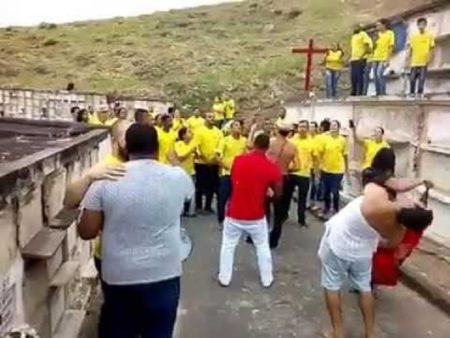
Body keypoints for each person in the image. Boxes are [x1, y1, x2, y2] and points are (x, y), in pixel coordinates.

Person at [78, 123, 194, 338]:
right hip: (164, 273)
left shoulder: (105, 180)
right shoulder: (178, 177)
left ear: (126, 147)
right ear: (157, 147)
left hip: (120, 276)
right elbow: (186, 197)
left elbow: (87, 232)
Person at [318, 148, 433, 338]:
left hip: (338, 242)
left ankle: (337, 332)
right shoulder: (399, 231)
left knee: (331, 285)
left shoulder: (375, 193)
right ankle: (370, 333)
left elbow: (391, 183)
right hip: (363, 251)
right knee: (365, 288)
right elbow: (387, 245)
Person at [65, 120, 131, 290]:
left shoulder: (140, 164)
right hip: (111, 256)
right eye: (126, 137)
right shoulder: (105, 169)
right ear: (113, 140)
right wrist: (88, 178)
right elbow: (69, 202)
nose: (132, 141)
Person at [218, 133, 282, 288]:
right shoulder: (272, 167)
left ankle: (224, 277)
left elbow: (235, 179)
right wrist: (269, 192)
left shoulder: (238, 160)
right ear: (268, 148)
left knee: (228, 245)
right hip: (256, 215)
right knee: (262, 246)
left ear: (253, 143)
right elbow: (278, 193)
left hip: (234, 213)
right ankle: (267, 278)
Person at [267, 122, 300, 249]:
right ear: (289, 133)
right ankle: (274, 239)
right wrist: (286, 168)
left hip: (268, 177)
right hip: (283, 178)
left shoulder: (270, 143)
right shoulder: (292, 146)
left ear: (277, 131)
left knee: (263, 207)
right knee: (279, 211)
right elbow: (297, 166)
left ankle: (258, 235)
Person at [216, 121, 247, 226]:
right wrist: (223, 164)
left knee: (236, 199)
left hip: (239, 175)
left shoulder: (244, 141)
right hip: (227, 173)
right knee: (222, 198)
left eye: (239, 126)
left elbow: (247, 155)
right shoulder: (225, 140)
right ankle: (221, 220)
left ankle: (233, 220)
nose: (238, 127)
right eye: (236, 125)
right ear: (231, 128)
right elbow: (218, 155)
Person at [317, 120, 349, 219]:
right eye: (331, 125)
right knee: (326, 191)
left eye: (335, 125)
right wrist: (319, 168)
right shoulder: (325, 138)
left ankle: (335, 209)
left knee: (335, 192)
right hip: (325, 169)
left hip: (338, 170)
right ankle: (326, 208)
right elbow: (320, 153)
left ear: (338, 127)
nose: (333, 127)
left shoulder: (342, 140)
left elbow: (345, 155)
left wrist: (346, 169)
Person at [289, 120, 318, 227]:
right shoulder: (292, 140)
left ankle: (301, 220)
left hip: (304, 174)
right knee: (287, 196)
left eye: (304, 127)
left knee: (302, 198)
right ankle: (283, 215)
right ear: (298, 128)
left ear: (307, 129)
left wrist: (316, 173)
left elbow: (315, 159)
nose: (302, 129)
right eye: (300, 126)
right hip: (291, 173)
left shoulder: (312, 142)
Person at [194, 112, 223, 214]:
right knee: (200, 185)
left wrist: (215, 159)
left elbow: (220, 147)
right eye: (209, 117)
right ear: (205, 119)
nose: (212, 119)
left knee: (211, 185)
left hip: (213, 163)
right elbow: (196, 147)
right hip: (201, 163)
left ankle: (208, 206)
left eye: (213, 117)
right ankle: (198, 206)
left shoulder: (218, 132)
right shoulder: (199, 131)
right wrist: (205, 159)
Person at [407, 17, 435, 98]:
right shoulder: (414, 37)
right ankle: (411, 93)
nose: (421, 26)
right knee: (412, 78)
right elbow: (411, 49)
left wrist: (431, 58)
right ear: (417, 25)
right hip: (414, 61)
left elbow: (432, 48)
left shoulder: (429, 36)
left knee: (422, 79)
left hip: (424, 61)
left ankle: (420, 93)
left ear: (425, 25)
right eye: (420, 24)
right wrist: (408, 59)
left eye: (423, 24)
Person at [173, 127, 197, 217]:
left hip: (191, 171)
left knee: (192, 191)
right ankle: (181, 210)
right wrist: (191, 150)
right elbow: (180, 157)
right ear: (183, 135)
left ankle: (191, 211)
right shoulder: (178, 144)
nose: (191, 134)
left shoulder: (193, 144)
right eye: (189, 132)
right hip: (181, 172)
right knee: (181, 192)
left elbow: (196, 156)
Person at [372, 19, 395, 96]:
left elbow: (391, 46)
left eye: (378, 25)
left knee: (380, 74)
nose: (377, 27)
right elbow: (373, 47)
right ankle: (377, 93)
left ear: (384, 25)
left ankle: (383, 93)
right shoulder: (377, 34)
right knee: (375, 76)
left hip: (384, 57)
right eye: (376, 25)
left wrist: (388, 58)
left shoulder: (390, 33)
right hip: (375, 57)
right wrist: (374, 40)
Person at [350, 24, 373, 96]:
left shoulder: (363, 34)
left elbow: (367, 45)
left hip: (360, 59)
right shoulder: (354, 36)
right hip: (354, 58)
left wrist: (362, 55)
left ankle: (360, 93)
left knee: (359, 77)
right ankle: (354, 92)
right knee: (353, 77)